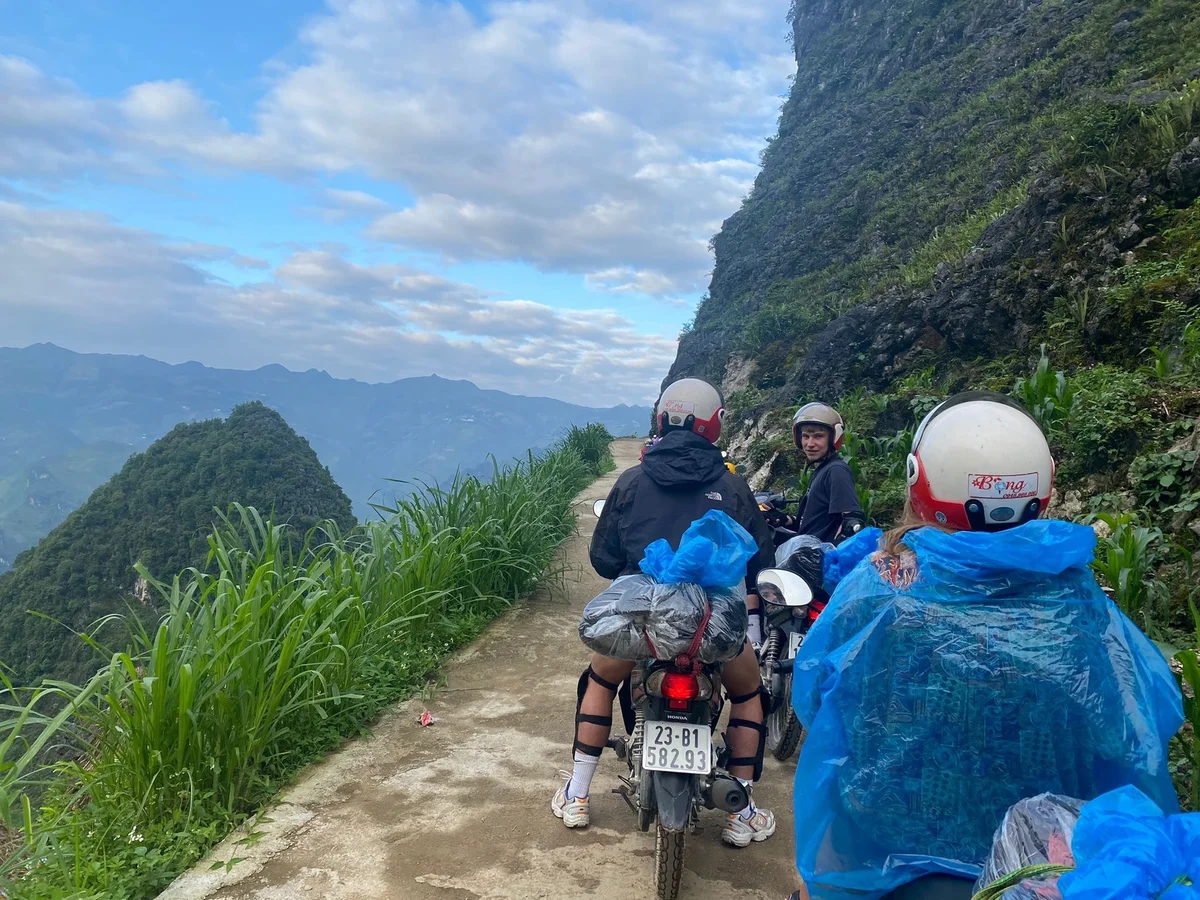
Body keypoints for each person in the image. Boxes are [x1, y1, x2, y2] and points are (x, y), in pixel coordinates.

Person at [787, 392, 1183, 900]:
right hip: (1040, 867)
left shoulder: (880, 583)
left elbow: (816, 698)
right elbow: (1139, 722)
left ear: (918, 478)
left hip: (886, 853)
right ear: (1043, 486)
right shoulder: (1080, 601)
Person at [553, 377, 778, 848]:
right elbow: (760, 562)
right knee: (749, 693)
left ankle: (576, 795)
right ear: (713, 425)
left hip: (645, 624)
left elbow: (603, 559)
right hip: (711, 629)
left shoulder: (632, 481)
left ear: (662, 419)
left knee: (598, 680)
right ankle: (744, 809)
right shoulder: (733, 487)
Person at [767, 402, 865, 545]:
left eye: (818, 436)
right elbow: (813, 525)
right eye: (805, 436)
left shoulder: (836, 471)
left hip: (817, 560)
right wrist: (783, 519)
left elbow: (852, 523)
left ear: (833, 438)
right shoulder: (822, 470)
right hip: (805, 552)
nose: (810, 443)